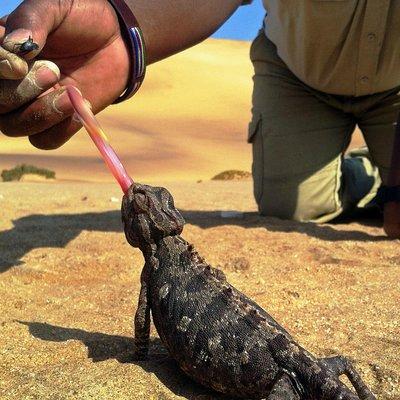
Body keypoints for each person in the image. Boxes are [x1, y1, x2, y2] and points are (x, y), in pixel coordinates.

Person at [0, 0, 399, 237]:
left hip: (394, 81)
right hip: (296, 72)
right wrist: (124, 31)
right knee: (296, 211)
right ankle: (362, 169)